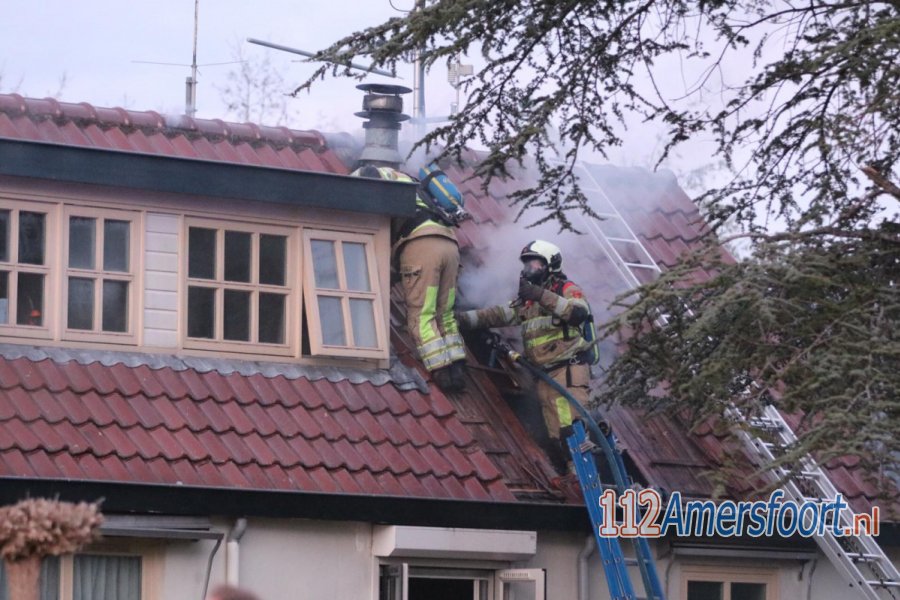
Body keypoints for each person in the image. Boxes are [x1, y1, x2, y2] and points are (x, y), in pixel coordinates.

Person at [457, 240, 593, 474]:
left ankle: (583, 477)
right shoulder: (528, 301)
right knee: (555, 433)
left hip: (567, 371)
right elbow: (499, 314)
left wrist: (542, 295)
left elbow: (578, 312)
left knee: (570, 428)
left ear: (550, 264)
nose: (528, 268)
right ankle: (575, 477)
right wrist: (461, 320)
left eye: (535, 263)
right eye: (527, 263)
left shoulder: (566, 289)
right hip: (545, 374)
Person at [352, 164, 467, 393]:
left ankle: (442, 373)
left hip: (422, 246)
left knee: (420, 313)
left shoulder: (367, 178)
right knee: (444, 312)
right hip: (450, 244)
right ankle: (458, 367)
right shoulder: (409, 182)